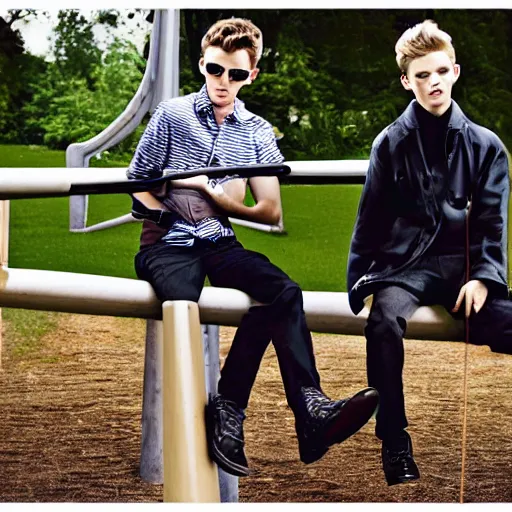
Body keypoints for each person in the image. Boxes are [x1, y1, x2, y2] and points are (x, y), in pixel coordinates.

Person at [127, 18, 379, 478]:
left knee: (282, 291)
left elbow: (269, 210)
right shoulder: (172, 114)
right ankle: (210, 426)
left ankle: (306, 412)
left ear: (252, 75)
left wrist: (217, 198)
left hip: (220, 239)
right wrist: (168, 213)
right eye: (216, 70)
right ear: (202, 64)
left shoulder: (257, 131)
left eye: (236, 75)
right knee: (182, 297)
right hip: (167, 243)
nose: (224, 82)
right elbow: (137, 182)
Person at [347, 19, 511, 486]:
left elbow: (492, 224)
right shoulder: (389, 143)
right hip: (405, 267)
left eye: (440, 71)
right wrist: (361, 283)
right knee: (383, 323)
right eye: (422, 75)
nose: (433, 81)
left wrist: (484, 276)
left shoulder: (487, 146)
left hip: (465, 271)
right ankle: (394, 440)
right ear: (406, 80)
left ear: (455, 71)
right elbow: (369, 222)